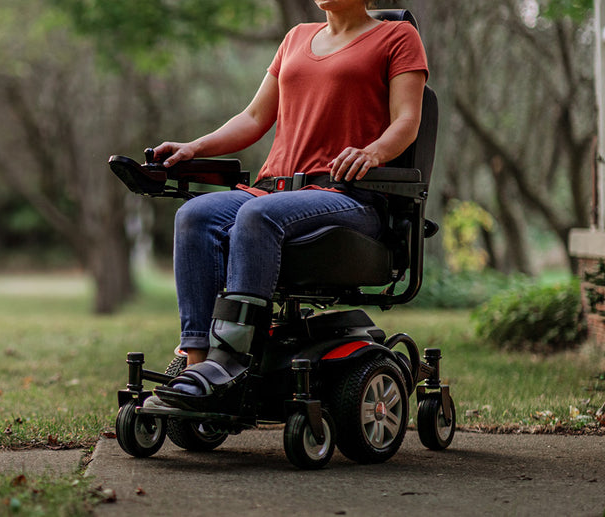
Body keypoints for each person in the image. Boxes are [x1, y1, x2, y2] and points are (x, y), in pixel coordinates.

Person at [144, 0, 428, 411]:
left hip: (347, 196)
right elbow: (255, 116)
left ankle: (231, 360)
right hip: (275, 192)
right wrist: (193, 148)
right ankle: (197, 364)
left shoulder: (398, 37)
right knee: (195, 215)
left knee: (257, 215)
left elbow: (406, 120)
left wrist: (374, 152)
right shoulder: (296, 37)